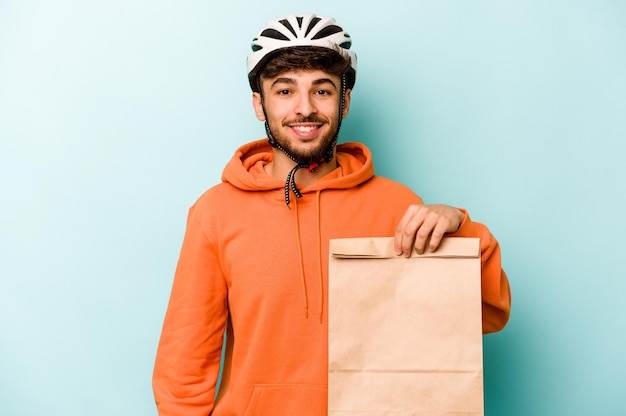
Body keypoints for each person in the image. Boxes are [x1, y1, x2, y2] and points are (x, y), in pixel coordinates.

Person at [152, 13, 511, 416]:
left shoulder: (396, 206)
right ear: (259, 103)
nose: (304, 109)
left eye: (321, 91)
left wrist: (458, 225)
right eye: (284, 91)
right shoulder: (216, 212)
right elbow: (184, 364)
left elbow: (482, 314)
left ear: (345, 100)